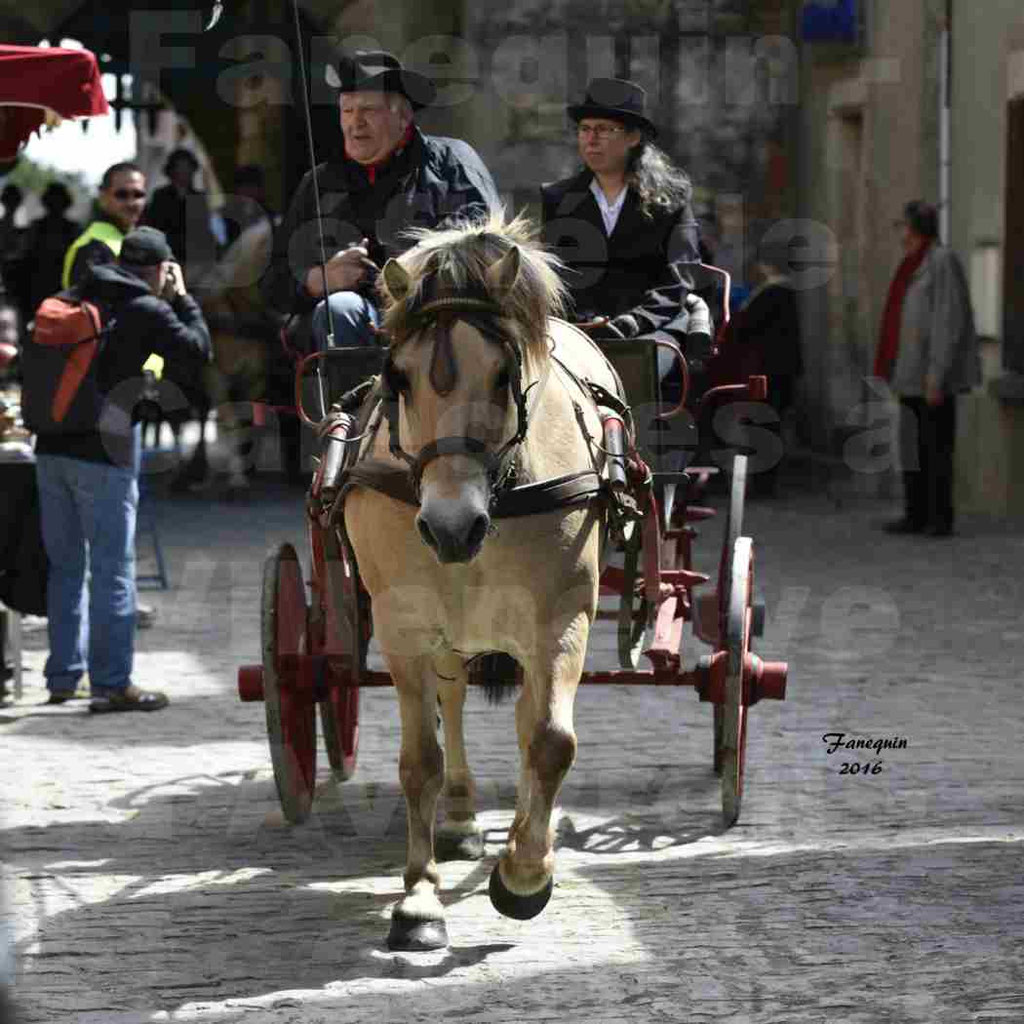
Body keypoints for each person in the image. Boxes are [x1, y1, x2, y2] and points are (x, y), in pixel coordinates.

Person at [33, 227, 211, 711]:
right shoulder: (147, 307)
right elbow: (198, 352)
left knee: (66, 567)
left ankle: (63, 677)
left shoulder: (76, 293)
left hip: (48, 447)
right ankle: (112, 683)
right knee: (113, 568)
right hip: (105, 452)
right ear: (159, 269)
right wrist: (183, 299)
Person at [261, 50, 501, 350]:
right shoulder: (318, 184)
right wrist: (320, 279)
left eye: (368, 110)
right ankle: (355, 400)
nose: (355, 123)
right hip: (355, 329)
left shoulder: (453, 162)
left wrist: (407, 271)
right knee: (339, 310)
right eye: (347, 111)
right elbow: (273, 284)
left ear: (403, 117)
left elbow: (484, 242)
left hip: (440, 322)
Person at [539, 78, 703, 382]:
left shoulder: (673, 199)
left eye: (604, 129)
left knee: (631, 375)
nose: (591, 139)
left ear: (633, 137)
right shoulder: (557, 198)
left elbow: (679, 277)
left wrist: (632, 322)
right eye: (585, 129)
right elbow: (554, 274)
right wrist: (582, 321)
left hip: (653, 328)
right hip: (579, 329)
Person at [875, 200, 980, 537]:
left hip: (931, 377)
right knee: (912, 449)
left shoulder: (941, 262)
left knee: (935, 448)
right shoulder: (911, 264)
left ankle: (939, 517)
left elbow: (948, 323)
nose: (900, 233)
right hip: (909, 374)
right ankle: (915, 513)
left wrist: (937, 375)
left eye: (903, 226)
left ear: (919, 228)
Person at [63, 162, 147, 288]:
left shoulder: (140, 239)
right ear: (103, 197)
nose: (131, 203)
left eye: (138, 195)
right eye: (122, 195)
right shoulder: (91, 247)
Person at [143, 148, 218, 276]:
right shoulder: (161, 196)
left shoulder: (199, 197)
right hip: (167, 255)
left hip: (194, 258)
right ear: (172, 171)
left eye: (187, 167)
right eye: (180, 167)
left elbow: (204, 229)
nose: (184, 172)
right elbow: (154, 226)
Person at [25, 181, 80, 311]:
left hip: (61, 287)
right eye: (53, 200)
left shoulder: (72, 229)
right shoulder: (37, 227)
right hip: (37, 284)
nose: (56, 205)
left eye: (58, 201)